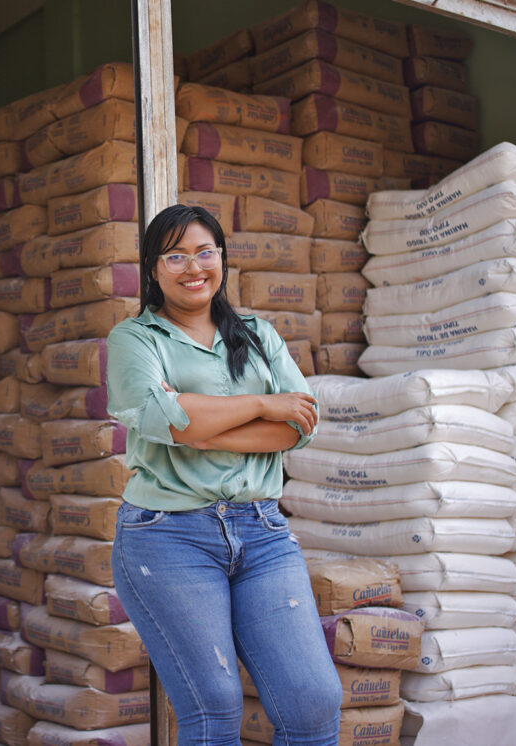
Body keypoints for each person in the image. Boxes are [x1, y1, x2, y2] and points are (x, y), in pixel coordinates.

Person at [105, 204, 342, 745]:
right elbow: (165, 418)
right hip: (168, 536)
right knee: (213, 705)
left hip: (262, 533)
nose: (194, 267)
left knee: (313, 700)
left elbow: (298, 427)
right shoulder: (134, 340)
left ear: (222, 258)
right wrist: (263, 402)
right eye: (176, 255)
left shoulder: (258, 334)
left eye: (205, 252)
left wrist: (202, 425)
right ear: (153, 268)